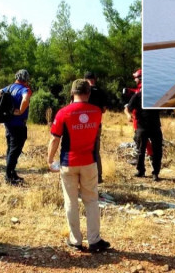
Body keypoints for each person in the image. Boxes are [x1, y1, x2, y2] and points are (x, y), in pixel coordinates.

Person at [47, 79, 110, 253]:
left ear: (72, 93)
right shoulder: (97, 112)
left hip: (68, 163)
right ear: (88, 93)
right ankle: (94, 240)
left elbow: (55, 139)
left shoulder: (63, 113)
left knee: (71, 202)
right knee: (91, 201)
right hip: (89, 162)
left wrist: (50, 159)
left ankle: (75, 240)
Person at [124, 69, 163, 181]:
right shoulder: (137, 95)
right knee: (141, 150)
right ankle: (141, 171)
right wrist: (128, 115)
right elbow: (127, 108)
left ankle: (155, 173)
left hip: (155, 126)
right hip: (142, 126)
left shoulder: (156, 96)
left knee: (157, 151)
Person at [0, 69, 32, 185]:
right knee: (15, 149)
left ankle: (12, 172)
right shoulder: (24, 89)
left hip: (8, 123)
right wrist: (20, 111)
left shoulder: (8, 88)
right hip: (18, 123)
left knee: (10, 148)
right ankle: (8, 175)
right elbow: (26, 98)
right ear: (26, 79)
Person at [84, 72, 107, 184]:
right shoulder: (101, 92)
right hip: (97, 125)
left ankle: (86, 177)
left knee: (83, 150)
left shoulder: (83, 92)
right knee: (96, 152)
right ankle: (98, 177)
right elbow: (104, 110)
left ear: (85, 79)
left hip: (83, 125)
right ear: (95, 79)